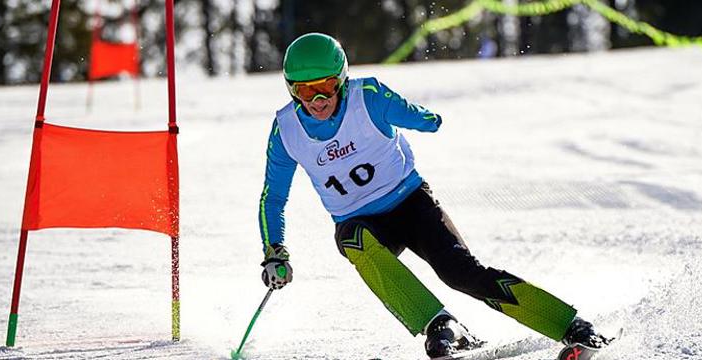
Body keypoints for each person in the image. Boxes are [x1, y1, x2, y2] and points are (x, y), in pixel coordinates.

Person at [257, 32, 611, 358]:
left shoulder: (368, 99)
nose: (318, 100)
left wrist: (423, 118)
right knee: (352, 240)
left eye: (327, 87)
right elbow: (273, 198)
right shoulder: (286, 130)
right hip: (361, 221)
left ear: (343, 80)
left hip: (413, 204)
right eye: (305, 92)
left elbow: (422, 118)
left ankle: (572, 326)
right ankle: (440, 324)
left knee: (460, 272)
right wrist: (275, 252)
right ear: (292, 91)